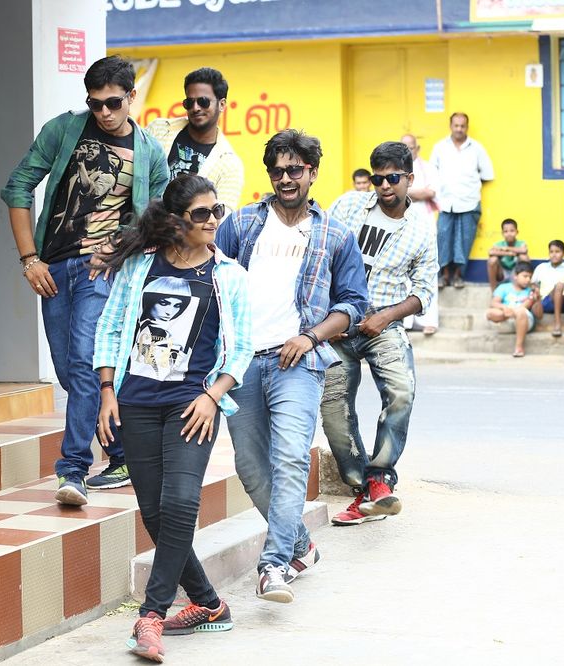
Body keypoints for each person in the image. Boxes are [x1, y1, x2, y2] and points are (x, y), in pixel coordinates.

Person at [94, 174, 252, 663]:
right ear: (178, 220)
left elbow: (242, 348)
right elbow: (110, 327)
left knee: (181, 503)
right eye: (202, 213)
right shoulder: (141, 266)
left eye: (217, 211)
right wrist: (106, 391)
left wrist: (213, 396)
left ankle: (152, 614)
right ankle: (208, 603)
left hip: (192, 405)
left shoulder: (228, 276)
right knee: (155, 513)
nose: (213, 221)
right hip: (137, 401)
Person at [1, 55, 169, 503]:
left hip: (103, 271)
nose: (104, 113)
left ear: (131, 97)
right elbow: (17, 187)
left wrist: (117, 248)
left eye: (114, 103)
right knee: (71, 372)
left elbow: (156, 221)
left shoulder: (150, 154)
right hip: (54, 267)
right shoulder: (64, 130)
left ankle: (72, 470)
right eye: (95, 104)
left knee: (83, 365)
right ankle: (125, 455)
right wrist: (29, 259)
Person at [215, 129, 368, 603]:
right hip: (241, 362)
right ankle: (301, 546)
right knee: (250, 466)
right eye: (277, 170)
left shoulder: (335, 234)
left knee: (290, 458)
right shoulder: (240, 225)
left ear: (312, 172)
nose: (285, 178)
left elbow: (353, 304)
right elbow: (209, 276)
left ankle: (274, 563)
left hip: (298, 361)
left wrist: (310, 336)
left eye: (295, 169)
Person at [322, 141, 437, 526]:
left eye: (393, 178)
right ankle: (365, 490)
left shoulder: (421, 228)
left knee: (402, 391)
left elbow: (424, 291)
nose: (385, 186)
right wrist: (328, 315)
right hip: (337, 323)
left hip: (383, 325)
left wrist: (385, 317)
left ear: (409, 179)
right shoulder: (348, 206)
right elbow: (319, 255)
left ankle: (380, 478)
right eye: (378, 179)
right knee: (333, 408)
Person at [146, 67, 244, 213]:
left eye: (203, 101)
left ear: (222, 104)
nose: (195, 108)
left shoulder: (230, 164)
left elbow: (222, 217)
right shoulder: (158, 130)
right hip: (143, 223)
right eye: (189, 102)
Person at [429, 113, 495, 288]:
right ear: (450, 126)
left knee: (464, 241)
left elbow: (487, 174)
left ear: (467, 127)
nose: (459, 129)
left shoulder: (477, 149)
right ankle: (444, 276)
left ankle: (458, 276)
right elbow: (431, 173)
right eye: (456, 125)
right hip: (445, 202)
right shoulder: (440, 147)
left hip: (469, 202)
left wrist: (468, 186)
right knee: (442, 239)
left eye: (462, 126)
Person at [401, 133, 440, 334]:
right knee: (403, 270)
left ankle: (429, 321)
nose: (408, 151)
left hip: (425, 224)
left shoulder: (429, 168)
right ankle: (407, 322)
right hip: (403, 224)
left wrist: (405, 192)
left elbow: (430, 192)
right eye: (404, 147)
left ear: (417, 148)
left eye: (411, 147)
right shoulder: (396, 168)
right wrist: (417, 192)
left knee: (427, 270)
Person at [486, 261, 541, 358]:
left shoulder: (531, 291)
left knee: (520, 312)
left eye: (530, 277)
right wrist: (504, 308)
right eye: (525, 276)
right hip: (506, 320)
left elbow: (526, 308)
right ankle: (509, 314)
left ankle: (519, 347)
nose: (528, 280)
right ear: (515, 276)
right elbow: (494, 303)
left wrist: (537, 299)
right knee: (490, 313)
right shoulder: (504, 287)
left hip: (524, 321)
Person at [532, 240, 564, 337]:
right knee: (559, 285)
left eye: (557, 252)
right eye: (551, 252)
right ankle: (557, 325)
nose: (554, 255)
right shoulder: (541, 267)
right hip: (547, 302)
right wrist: (536, 292)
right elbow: (533, 284)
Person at [486, 218, 528, 291]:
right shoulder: (498, 244)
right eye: (506, 231)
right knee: (492, 260)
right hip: (502, 274)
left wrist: (505, 248)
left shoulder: (521, 243)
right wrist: (508, 253)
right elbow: (491, 252)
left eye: (512, 231)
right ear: (502, 233)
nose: (509, 234)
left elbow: (524, 250)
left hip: (516, 273)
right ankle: (494, 291)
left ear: (517, 232)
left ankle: (524, 289)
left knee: (524, 257)